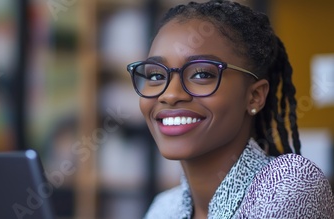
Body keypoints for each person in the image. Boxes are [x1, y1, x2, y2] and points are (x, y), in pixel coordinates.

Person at [125, 0, 334, 218]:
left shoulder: (287, 185)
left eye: (202, 74)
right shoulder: (163, 208)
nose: (170, 94)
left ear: (255, 96)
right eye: (156, 76)